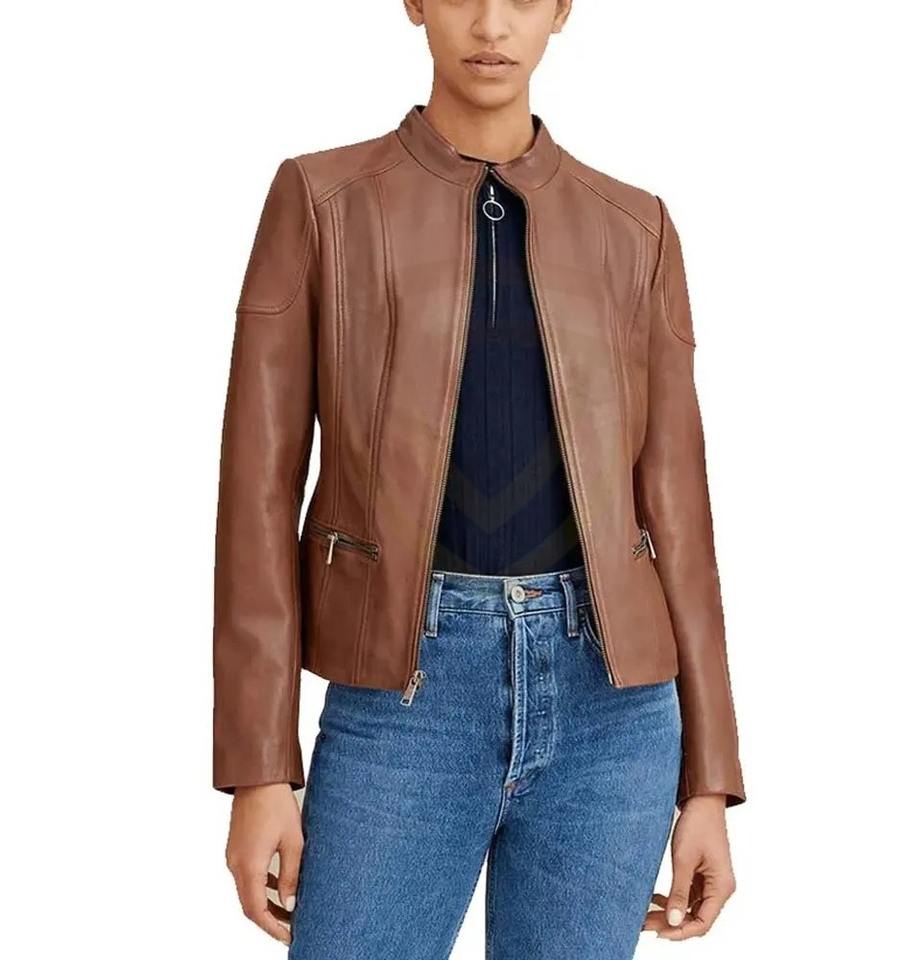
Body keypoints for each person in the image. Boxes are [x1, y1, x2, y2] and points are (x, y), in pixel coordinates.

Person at [212, 2, 746, 957]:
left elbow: (679, 514)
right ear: (415, 4)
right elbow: (257, 492)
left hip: (614, 712)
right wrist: (260, 769)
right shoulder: (323, 200)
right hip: (403, 700)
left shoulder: (637, 227)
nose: (491, 24)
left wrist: (708, 779)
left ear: (562, 11)